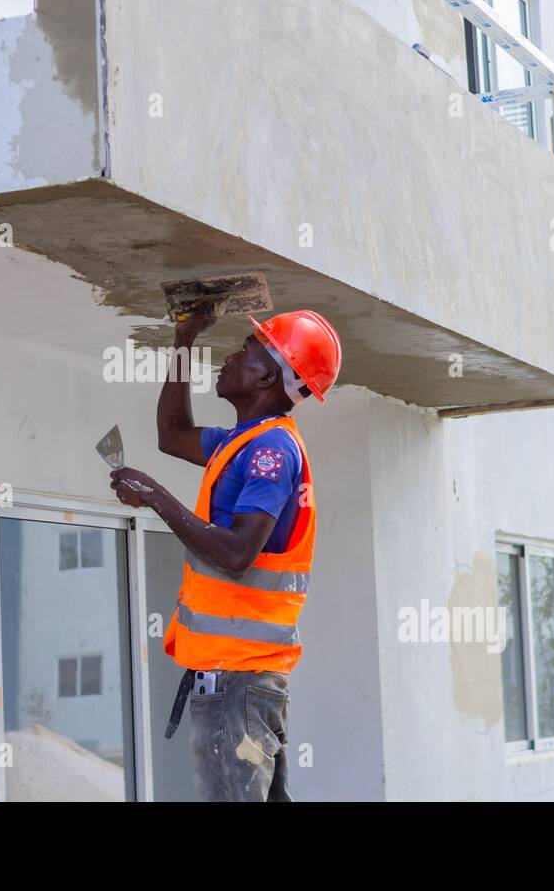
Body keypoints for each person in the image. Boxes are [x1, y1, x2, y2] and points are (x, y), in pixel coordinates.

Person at [109, 304, 342, 801]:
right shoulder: (245, 443)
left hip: (239, 682)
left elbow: (237, 553)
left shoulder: (269, 452)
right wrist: (184, 336)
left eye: (245, 351)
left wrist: (153, 497)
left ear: (266, 378)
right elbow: (171, 435)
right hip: (247, 680)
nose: (231, 358)